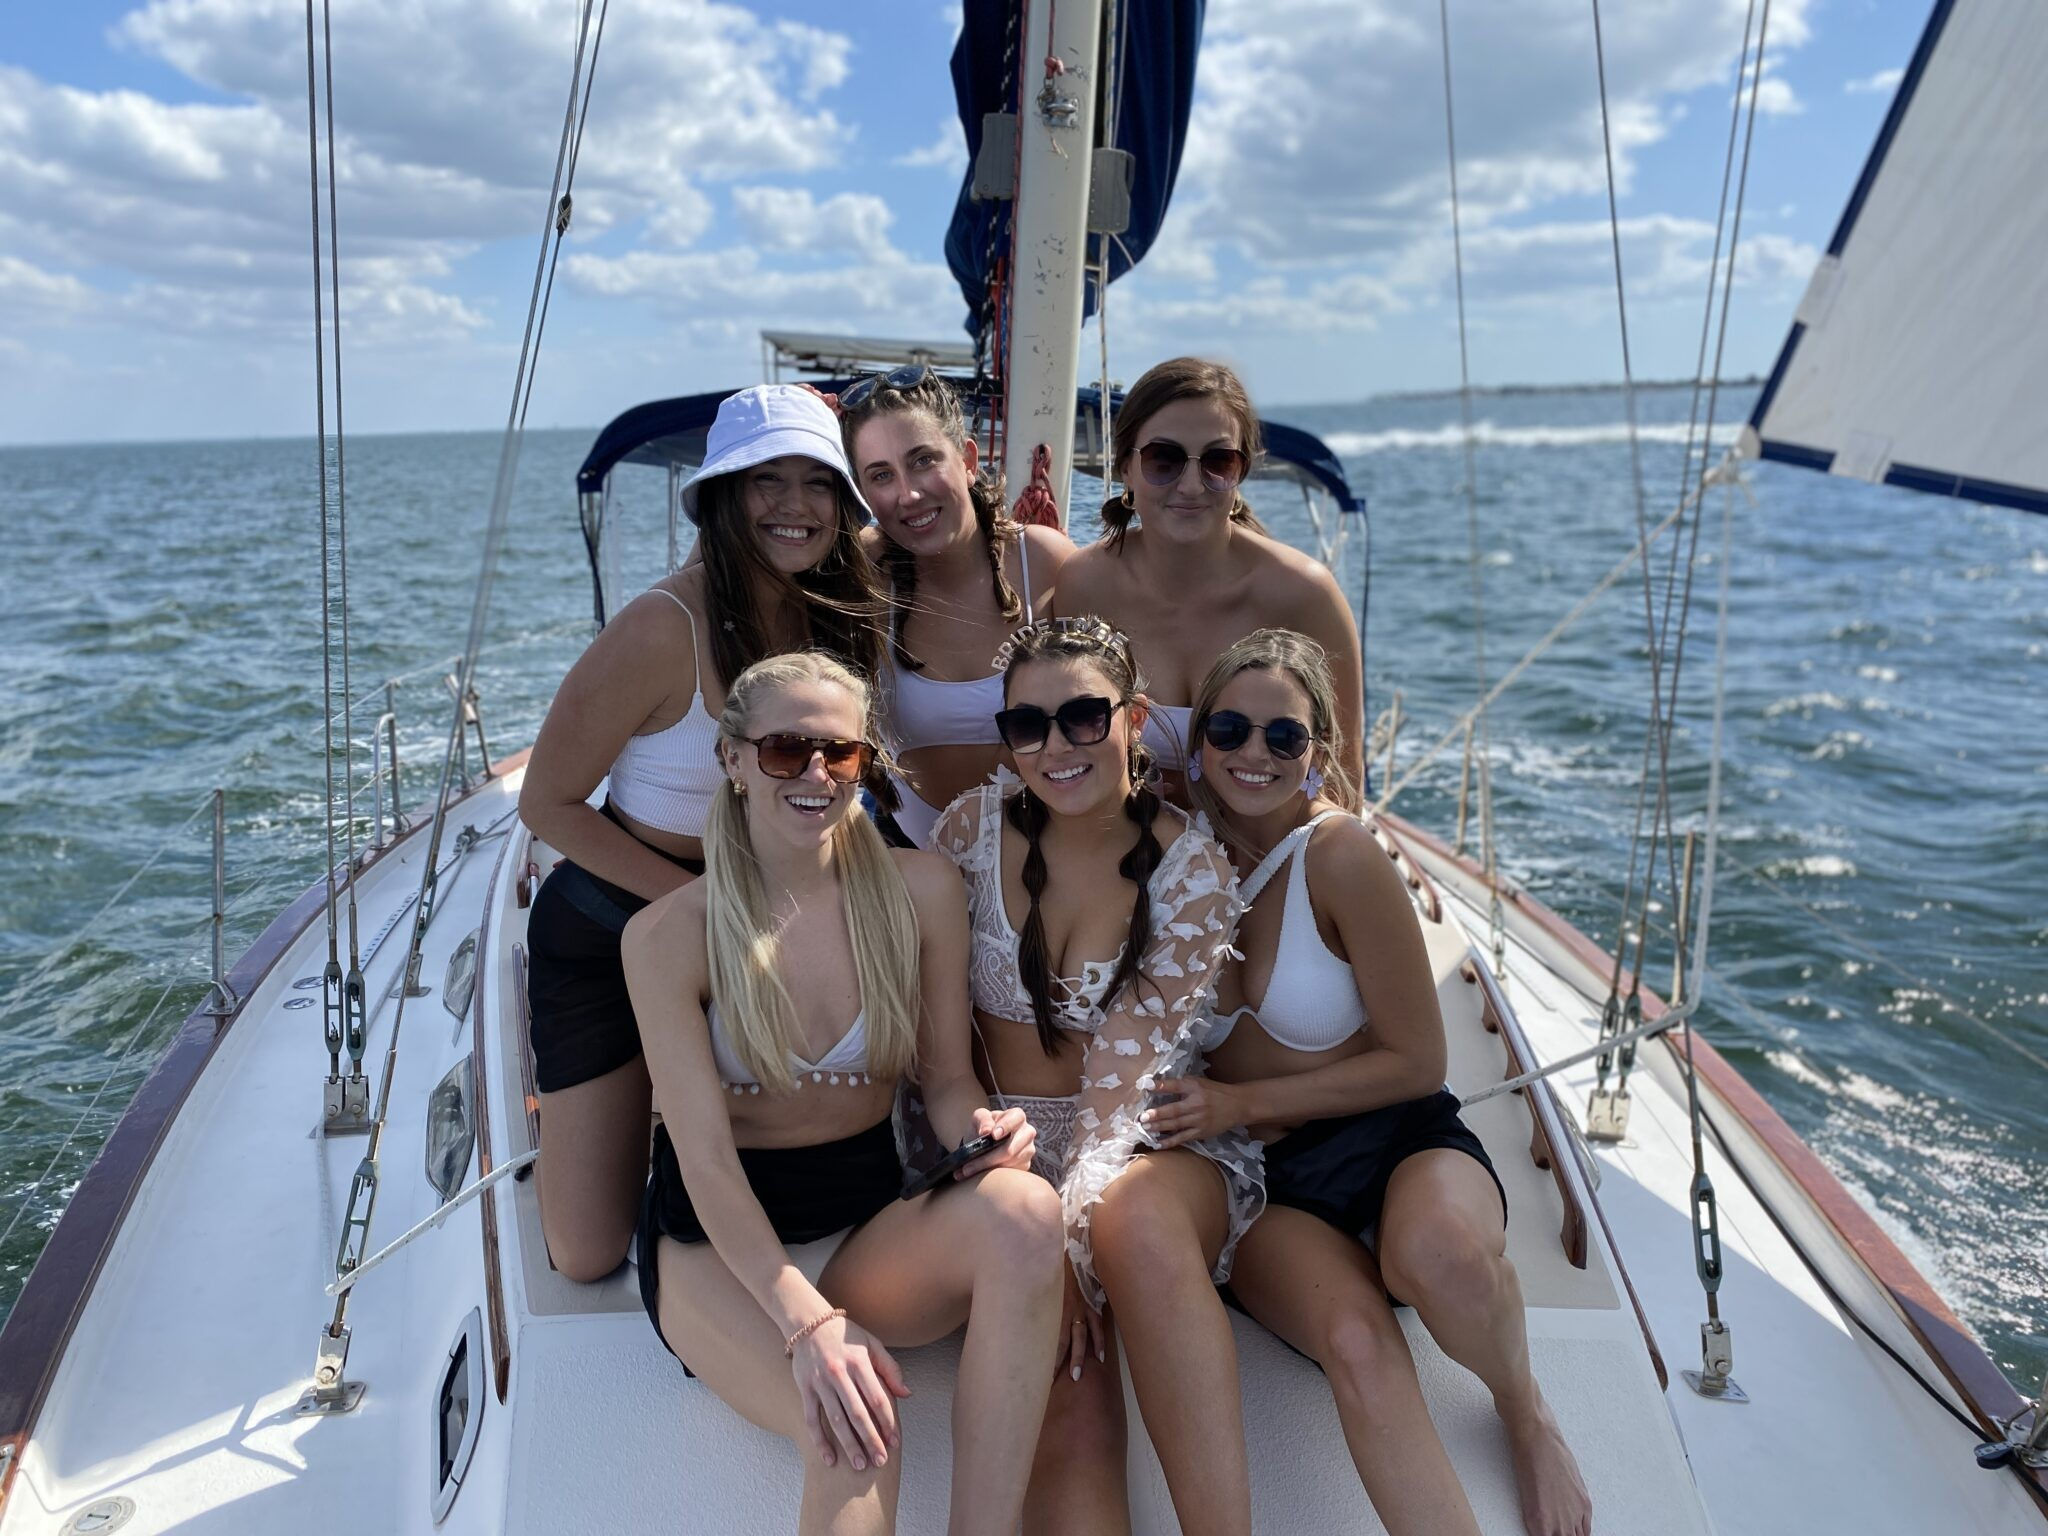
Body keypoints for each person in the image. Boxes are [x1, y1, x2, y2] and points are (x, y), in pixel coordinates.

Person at [1096, 628, 1592, 1536]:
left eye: (1283, 737)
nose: (1255, 753)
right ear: (1197, 743)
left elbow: (1417, 1062)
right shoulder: (1166, 862)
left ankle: (1525, 1411)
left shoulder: (1340, 855)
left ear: (1316, 756)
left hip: (1394, 1135)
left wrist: (1241, 1103)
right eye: (1231, 730)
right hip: (1270, 1182)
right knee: (1360, 1343)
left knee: (1436, 1257)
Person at [623, 651, 1065, 1536]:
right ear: (734, 760)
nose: (816, 774)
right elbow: (703, 1160)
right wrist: (808, 1326)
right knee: (857, 1429)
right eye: (787, 750)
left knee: (1025, 1209)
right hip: (718, 1253)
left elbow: (944, 1082)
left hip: (865, 1228)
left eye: (842, 754)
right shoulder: (670, 936)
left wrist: (980, 1131)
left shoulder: (921, 894)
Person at [519, 383, 890, 1283]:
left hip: (772, 915)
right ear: (722, 495)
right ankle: (614, 1124)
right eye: (766, 481)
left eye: (817, 482)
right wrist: (705, 911)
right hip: (622, 915)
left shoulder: (843, 613)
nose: (794, 506)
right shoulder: (660, 625)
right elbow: (546, 803)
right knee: (585, 1254)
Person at [929, 617, 1259, 1536]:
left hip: (1142, 1142)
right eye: (1026, 726)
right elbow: (941, 1043)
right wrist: (1025, 1223)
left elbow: (1119, 1100)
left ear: (1134, 719)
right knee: (1069, 1400)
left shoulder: (1193, 872)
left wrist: (1061, 1248)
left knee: (1112, 1261)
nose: (1055, 746)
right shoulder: (968, 832)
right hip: (997, 1151)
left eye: (1082, 716)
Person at [1053, 357, 1363, 802]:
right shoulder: (1083, 585)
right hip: (1128, 863)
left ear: (1241, 473)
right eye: (1164, 459)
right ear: (1126, 468)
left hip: (1266, 862)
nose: (1193, 485)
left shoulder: (1305, 595)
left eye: (1218, 461)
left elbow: (1342, 782)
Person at [838, 364, 1072, 848]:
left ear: (967, 459)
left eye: (923, 460)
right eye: (881, 475)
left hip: (1048, 863)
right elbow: (745, 561)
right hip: (911, 859)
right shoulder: (862, 574)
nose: (909, 494)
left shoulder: (1043, 562)